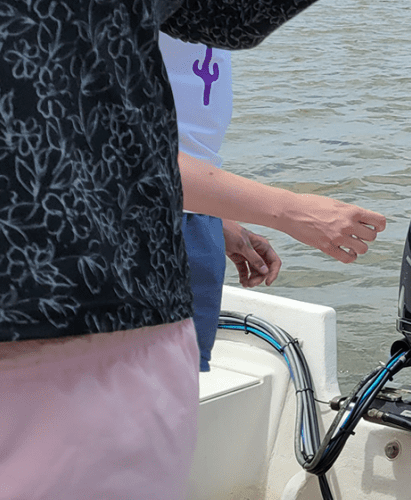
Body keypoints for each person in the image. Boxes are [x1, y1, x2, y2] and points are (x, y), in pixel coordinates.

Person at [0, 2, 328, 498]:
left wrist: (218, 220)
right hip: (94, 262)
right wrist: (285, 209)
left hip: (155, 234)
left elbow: (227, 28)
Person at [160, 34, 387, 372]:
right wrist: (289, 211)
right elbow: (111, 150)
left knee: (172, 398)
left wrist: (213, 216)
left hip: (189, 221)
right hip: (125, 234)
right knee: (129, 405)